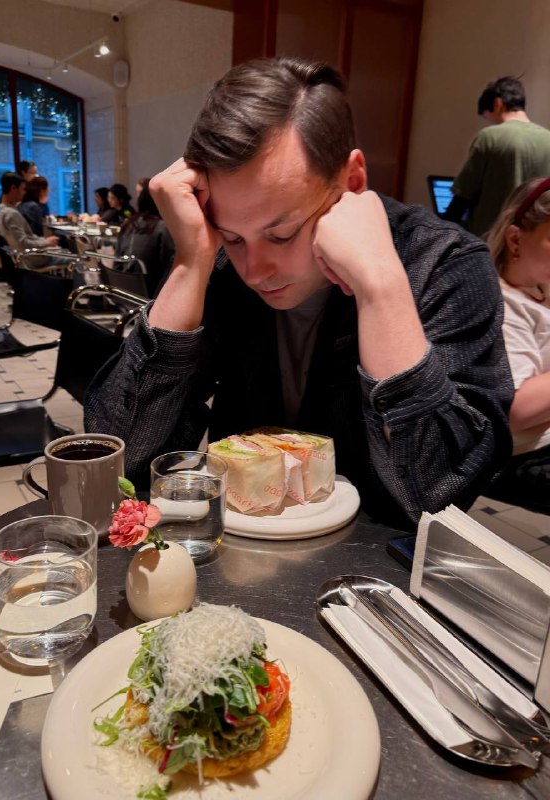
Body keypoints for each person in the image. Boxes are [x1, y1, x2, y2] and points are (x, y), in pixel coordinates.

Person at [84, 57, 514, 528]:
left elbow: (437, 496)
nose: (254, 271)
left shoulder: (444, 263)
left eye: (283, 234)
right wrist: (191, 263)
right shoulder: (220, 264)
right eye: (233, 236)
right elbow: (120, 461)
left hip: (378, 558)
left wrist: (380, 287)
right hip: (240, 543)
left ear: (352, 182)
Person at [483, 177, 550, 514]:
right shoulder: (504, 303)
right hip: (527, 458)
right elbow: (517, 409)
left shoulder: (539, 289)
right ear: (514, 239)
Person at [445, 76, 550, 238]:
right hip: (531, 241)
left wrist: (441, 231)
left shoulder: (489, 137)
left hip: (490, 241)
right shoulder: (547, 138)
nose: (488, 123)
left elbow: (463, 198)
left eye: (487, 117)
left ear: (497, 104)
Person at [114, 183, 174, 295]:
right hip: (148, 292)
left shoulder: (128, 224)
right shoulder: (162, 227)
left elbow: (117, 261)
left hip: (121, 289)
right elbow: (170, 265)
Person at [0, 172, 60, 269]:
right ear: (13, 188)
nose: (24, 192)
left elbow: (26, 238)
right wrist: (46, 243)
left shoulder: (2, 211)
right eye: (22, 189)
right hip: (33, 259)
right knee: (77, 259)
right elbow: (23, 243)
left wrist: (45, 241)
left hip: (25, 258)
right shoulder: (12, 214)